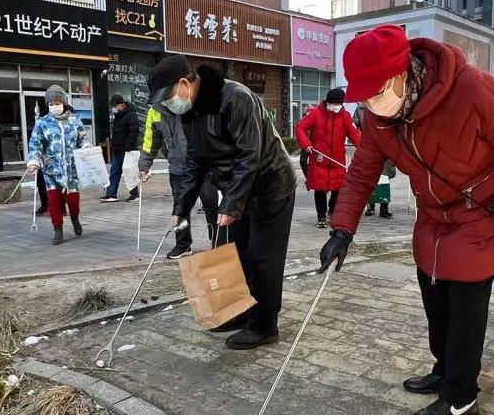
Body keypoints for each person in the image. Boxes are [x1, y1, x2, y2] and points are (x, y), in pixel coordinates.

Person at [319, 25, 494, 415]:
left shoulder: (476, 91)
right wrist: (341, 230)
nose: (373, 104)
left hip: (483, 208)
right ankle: (445, 368)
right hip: (433, 213)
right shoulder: (380, 119)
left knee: (465, 297)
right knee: (433, 289)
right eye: (365, 97)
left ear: (402, 73)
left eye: (378, 92)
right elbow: (361, 173)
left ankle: (461, 397)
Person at [148, 55, 297, 350]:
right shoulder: (189, 112)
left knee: (262, 257)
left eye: (168, 98)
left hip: (270, 186)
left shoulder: (235, 98)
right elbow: (195, 161)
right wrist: (181, 207)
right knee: (237, 255)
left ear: (184, 84)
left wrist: (230, 205)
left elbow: (249, 155)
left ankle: (264, 325)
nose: (168, 105)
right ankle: (239, 312)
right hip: (237, 190)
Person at [138, 104, 219, 259]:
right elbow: (150, 140)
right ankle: (183, 244)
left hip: (203, 167)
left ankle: (217, 241)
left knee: (211, 205)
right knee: (180, 208)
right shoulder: (155, 111)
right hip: (177, 167)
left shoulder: (191, 104)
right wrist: (144, 166)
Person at [26, 85, 90, 245]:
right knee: (54, 202)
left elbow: (82, 138)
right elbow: (35, 144)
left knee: (73, 200)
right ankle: (58, 229)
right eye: (51, 104)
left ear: (64, 103)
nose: (55, 106)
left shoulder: (75, 120)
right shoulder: (42, 123)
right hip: (51, 170)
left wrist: (86, 147)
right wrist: (34, 161)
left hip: (71, 169)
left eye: (57, 103)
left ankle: (75, 219)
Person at [296, 88, 361, 228]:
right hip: (319, 161)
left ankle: (332, 211)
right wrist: (305, 144)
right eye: (334, 104)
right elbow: (300, 127)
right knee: (320, 190)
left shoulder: (345, 116)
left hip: (337, 162)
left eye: (339, 104)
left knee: (338, 190)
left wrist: (363, 148)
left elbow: (354, 134)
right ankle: (321, 216)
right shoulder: (316, 114)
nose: (337, 106)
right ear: (328, 102)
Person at [353, 103, 394, 218]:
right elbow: (354, 125)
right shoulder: (361, 108)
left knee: (384, 178)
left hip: (385, 147)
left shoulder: (387, 104)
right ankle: (370, 206)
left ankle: (384, 207)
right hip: (368, 147)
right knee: (369, 178)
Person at [101, 94, 140, 203]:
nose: (113, 108)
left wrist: (128, 146)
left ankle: (134, 194)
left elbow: (134, 131)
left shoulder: (130, 114)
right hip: (117, 149)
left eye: (114, 106)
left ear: (121, 105)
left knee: (129, 172)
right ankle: (111, 194)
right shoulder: (118, 115)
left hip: (126, 150)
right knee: (114, 172)